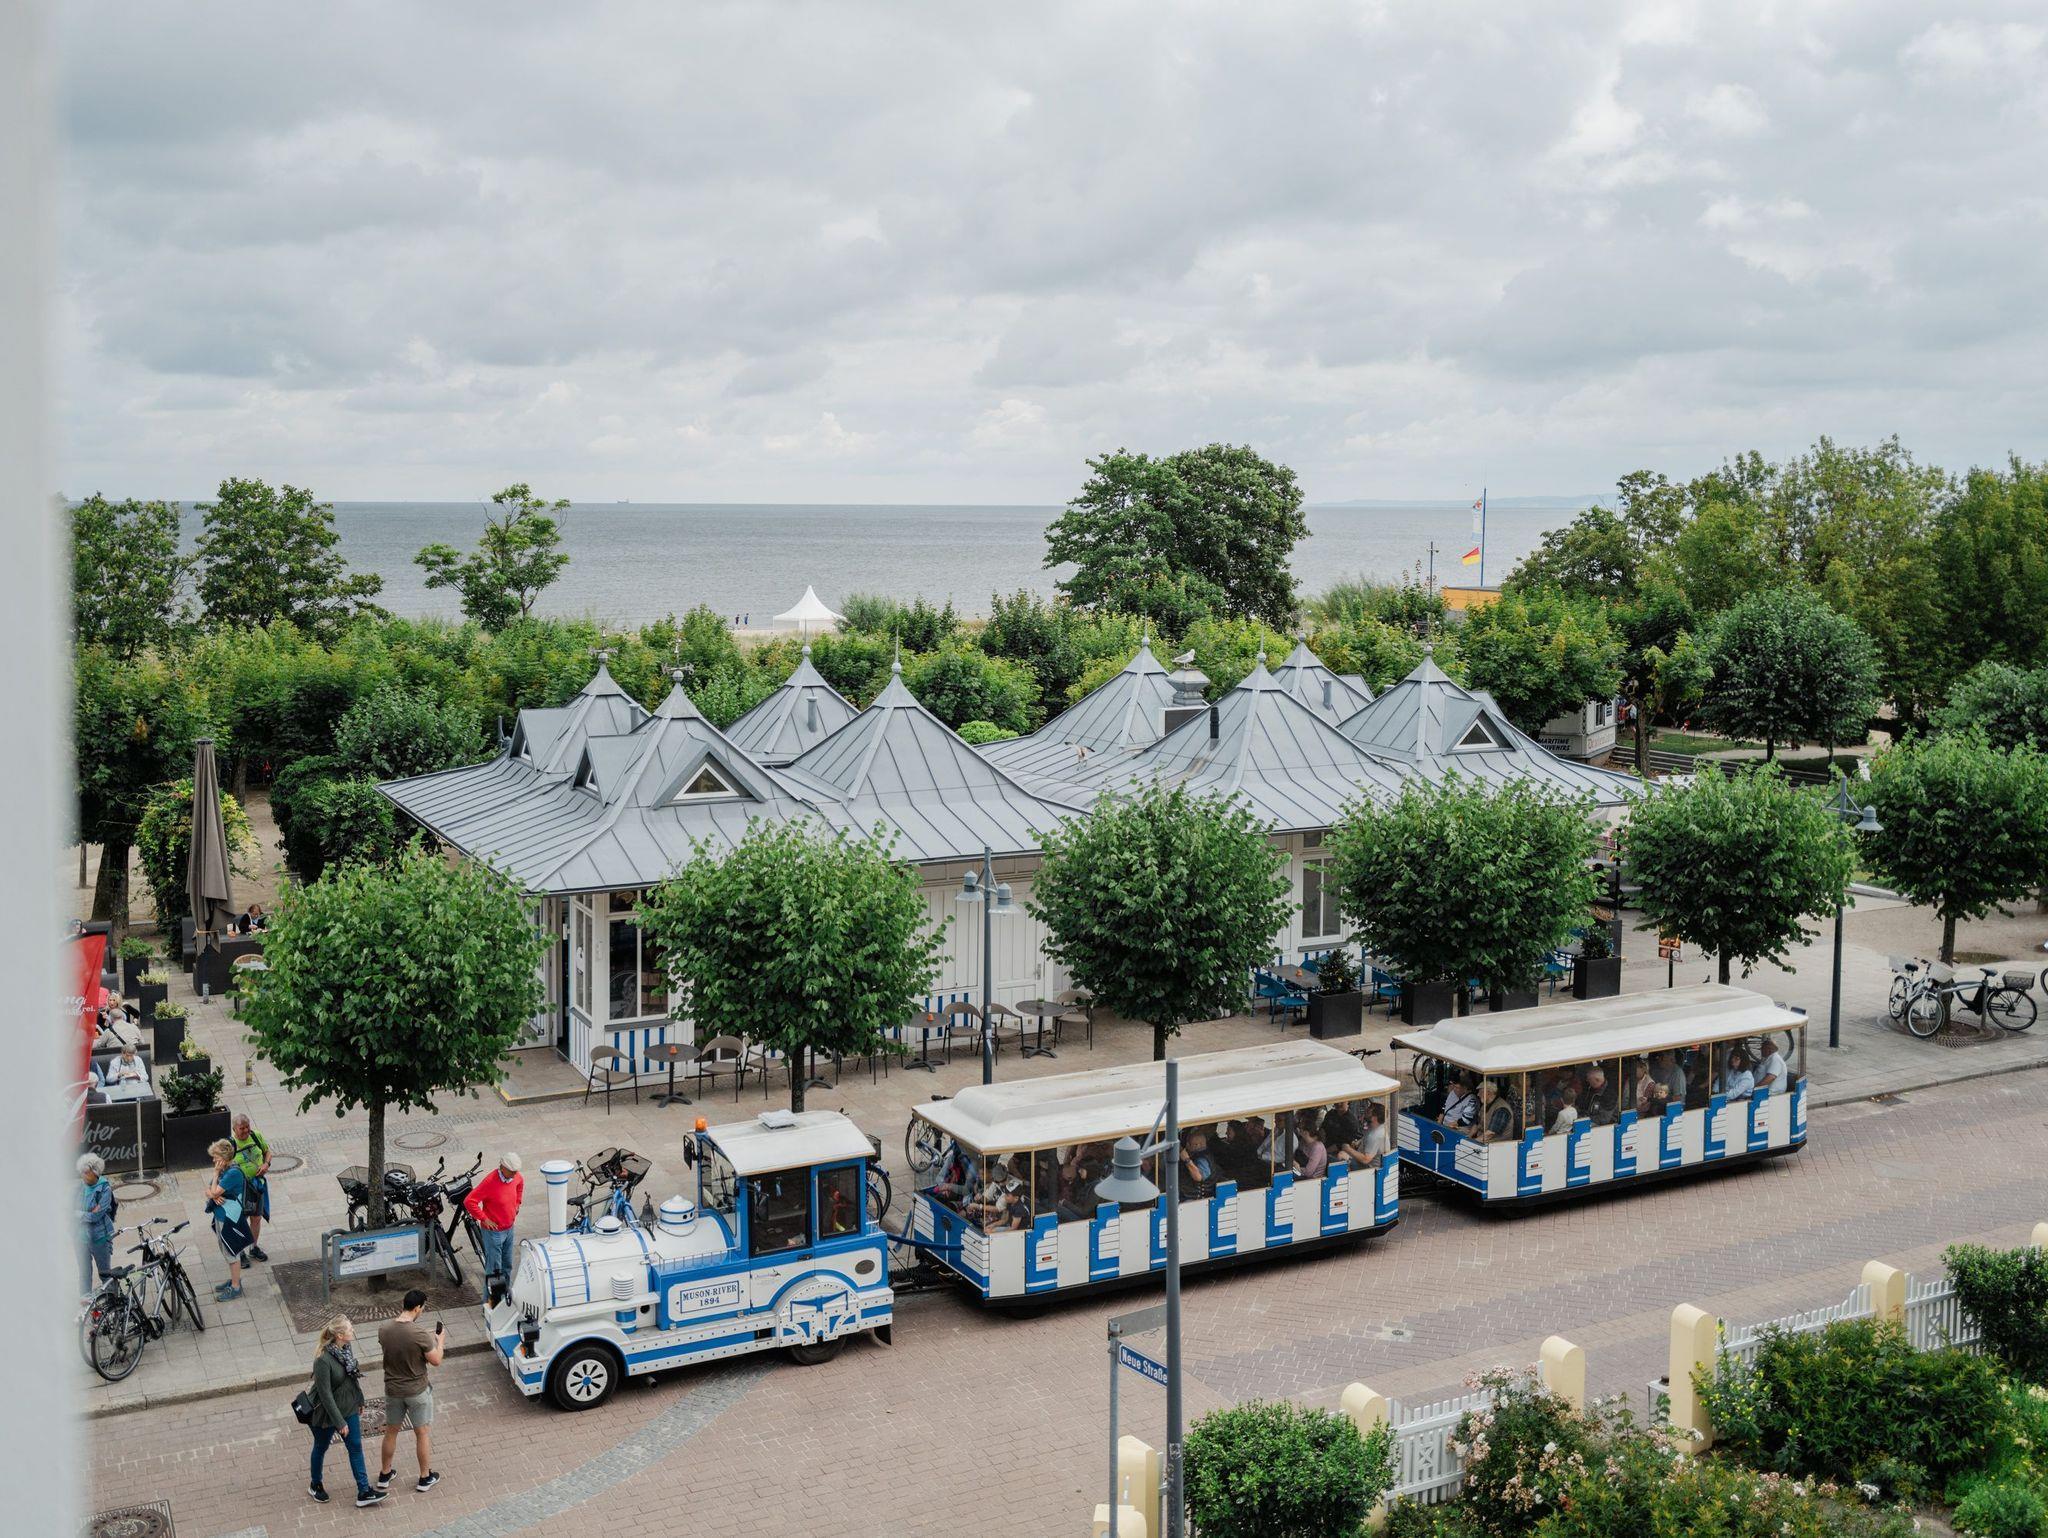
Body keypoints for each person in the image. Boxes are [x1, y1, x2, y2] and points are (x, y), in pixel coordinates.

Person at [308, 1316, 384, 1507]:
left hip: (348, 1407)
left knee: (355, 1447)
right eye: (350, 1329)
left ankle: (364, 1491)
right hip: (327, 1414)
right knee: (321, 1447)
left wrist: (360, 1399)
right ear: (340, 1335)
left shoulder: (346, 1349)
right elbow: (325, 1395)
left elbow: (352, 1378)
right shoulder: (323, 1360)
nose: (353, 1331)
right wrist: (339, 1422)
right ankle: (315, 1484)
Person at [376, 1290, 444, 1495]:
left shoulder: (384, 1329)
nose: (422, 1311)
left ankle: (385, 1474)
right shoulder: (419, 1334)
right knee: (421, 1433)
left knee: (391, 1431)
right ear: (416, 1308)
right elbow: (436, 1360)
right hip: (416, 1391)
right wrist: (440, 1341)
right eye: (422, 1308)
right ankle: (424, 1477)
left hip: (393, 1389)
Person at [463, 1152, 524, 1303]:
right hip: (494, 1233)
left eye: (516, 1171)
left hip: (509, 1228)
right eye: (512, 1171)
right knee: (495, 1270)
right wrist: (484, 1218)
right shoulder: (490, 1181)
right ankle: (492, 1303)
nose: (515, 1174)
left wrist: (517, 1204)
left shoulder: (516, 1176)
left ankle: (503, 1297)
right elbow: (469, 1201)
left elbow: (520, 1185)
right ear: (502, 1167)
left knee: (507, 1265)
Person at [204, 1138, 253, 1300]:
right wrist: (213, 1194)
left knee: (231, 1251)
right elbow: (208, 1190)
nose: (213, 1160)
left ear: (224, 1158)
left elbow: (213, 1191)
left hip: (229, 1218)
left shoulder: (231, 1173)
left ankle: (236, 1287)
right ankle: (234, 1279)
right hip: (221, 1216)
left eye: (215, 1157)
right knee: (226, 1250)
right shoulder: (226, 1170)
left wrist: (215, 1182)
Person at [230, 1112, 273, 1263]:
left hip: (257, 1185)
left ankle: (253, 1248)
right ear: (234, 1129)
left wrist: (266, 1164)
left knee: (256, 1218)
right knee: (240, 1220)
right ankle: (240, 1252)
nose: (246, 1130)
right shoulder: (230, 1145)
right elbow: (221, 1166)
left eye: (247, 1127)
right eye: (242, 1128)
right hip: (239, 1189)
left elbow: (267, 1152)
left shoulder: (256, 1136)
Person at [76, 1153, 115, 1301]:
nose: (83, 1176)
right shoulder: (80, 1188)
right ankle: (85, 1304)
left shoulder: (104, 1189)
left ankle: (113, 1302)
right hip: (80, 1238)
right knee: (84, 1273)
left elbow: (95, 1216)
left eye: (86, 1172)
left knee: (105, 1274)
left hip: (100, 1237)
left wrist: (79, 1214)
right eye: (82, 1172)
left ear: (95, 1172)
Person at [1177, 1130, 1214, 1198]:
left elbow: (1199, 1177)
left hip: (1193, 1197)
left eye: (1189, 1143)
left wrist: (1186, 1159)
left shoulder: (1202, 1159)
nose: (1186, 1146)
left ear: (1197, 1145)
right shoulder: (1197, 1155)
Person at [1291, 1115, 1328, 1180]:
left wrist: (1297, 1167)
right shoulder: (1303, 1142)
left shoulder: (1317, 1148)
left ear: (1306, 1133)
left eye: (1300, 1129)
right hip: (1299, 1172)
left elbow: (1309, 1172)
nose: (1298, 1130)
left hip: (1312, 1179)